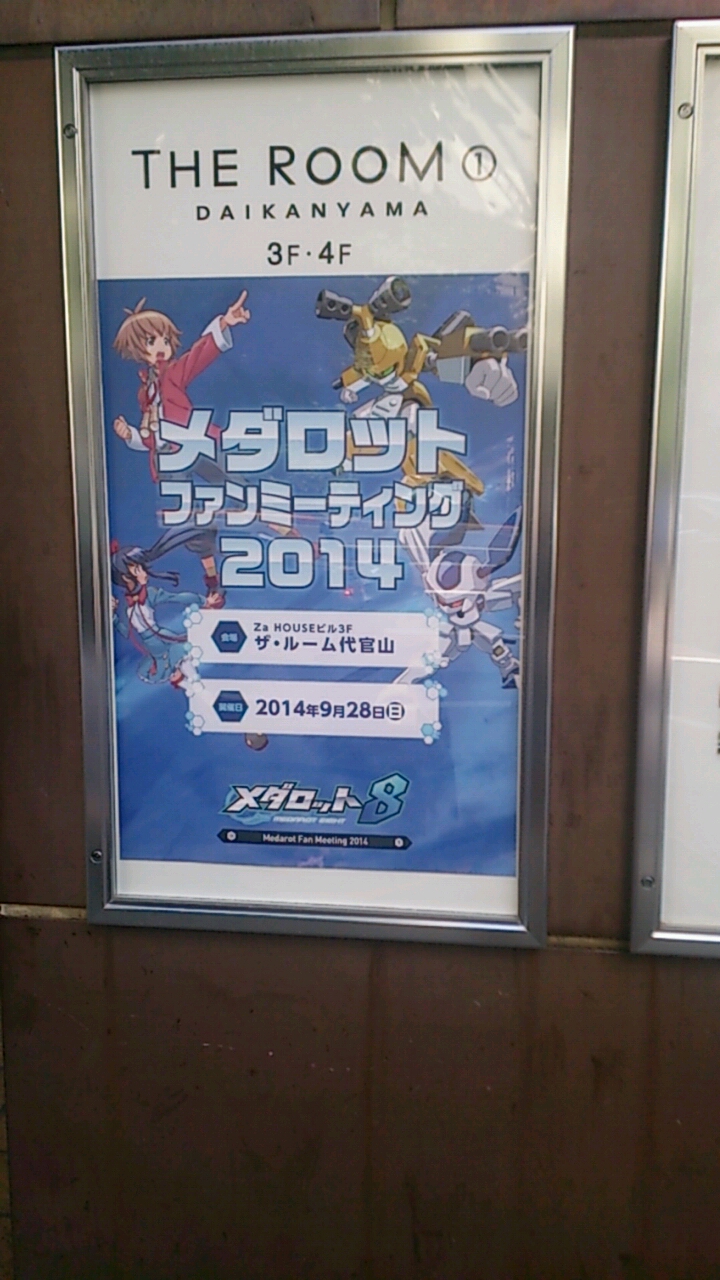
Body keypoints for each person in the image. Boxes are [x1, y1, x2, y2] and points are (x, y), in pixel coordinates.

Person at [112, 290, 251, 601]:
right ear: (138, 350)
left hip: (194, 446)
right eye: (151, 342)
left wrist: (224, 323)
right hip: (169, 460)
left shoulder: (172, 375)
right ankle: (213, 585)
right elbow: (151, 438)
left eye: (163, 340)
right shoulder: (145, 392)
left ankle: (289, 531)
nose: (160, 347)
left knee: (240, 489)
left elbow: (197, 356)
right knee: (193, 526)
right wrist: (129, 434)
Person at [111, 529, 222, 688]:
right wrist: (113, 616)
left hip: (162, 638)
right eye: (136, 569)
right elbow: (127, 633)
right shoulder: (129, 604)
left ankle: (197, 684)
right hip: (152, 648)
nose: (142, 571)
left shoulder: (150, 594)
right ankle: (194, 688)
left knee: (182, 657)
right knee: (167, 670)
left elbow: (177, 597)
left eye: (141, 567)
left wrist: (204, 601)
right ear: (125, 576)